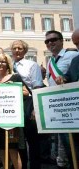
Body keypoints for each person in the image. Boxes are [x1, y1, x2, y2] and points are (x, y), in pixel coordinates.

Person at [45, 30, 79, 168]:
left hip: (73, 105)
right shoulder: (50, 62)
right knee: (65, 144)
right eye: (47, 41)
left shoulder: (73, 55)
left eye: (53, 40)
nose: (50, 43)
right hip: (58, 107)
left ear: (61, 41)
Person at [0, 53, 29, 169]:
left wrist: (14, 88)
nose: (0, 64)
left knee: (13, 148)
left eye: (3, 62)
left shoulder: (15, 77)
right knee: (1, 147)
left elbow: (26, 92)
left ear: (8, 64)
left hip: (12, 118)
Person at [11, 40, 44, 169]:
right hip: (14, 104)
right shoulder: (9, 65)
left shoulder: (32, 65)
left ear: (25, 51)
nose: (17, 50)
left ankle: (35, 166)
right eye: (15, 48)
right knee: (19, 141)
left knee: (33, 140)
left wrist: (36, 109)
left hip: (29, 103)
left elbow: (37, 87)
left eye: (20, 48)